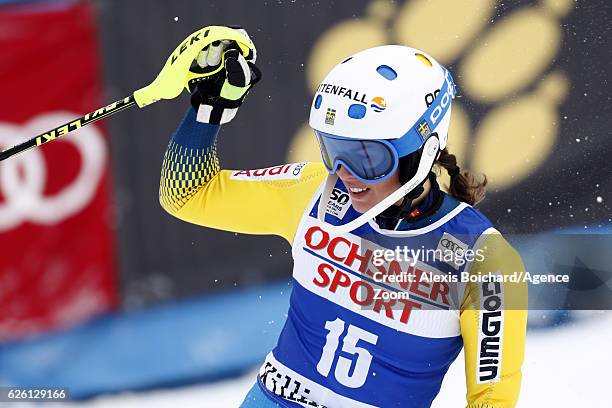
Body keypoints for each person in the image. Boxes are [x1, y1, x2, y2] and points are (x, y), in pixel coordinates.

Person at [159, 27, 527, 408]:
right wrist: (208, 109)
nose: (345, 173)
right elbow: (186, 195)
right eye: (333, 149)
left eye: (367, 158)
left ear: (424, 150)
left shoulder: (487, 262)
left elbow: (492, 400)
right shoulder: (314, 191)